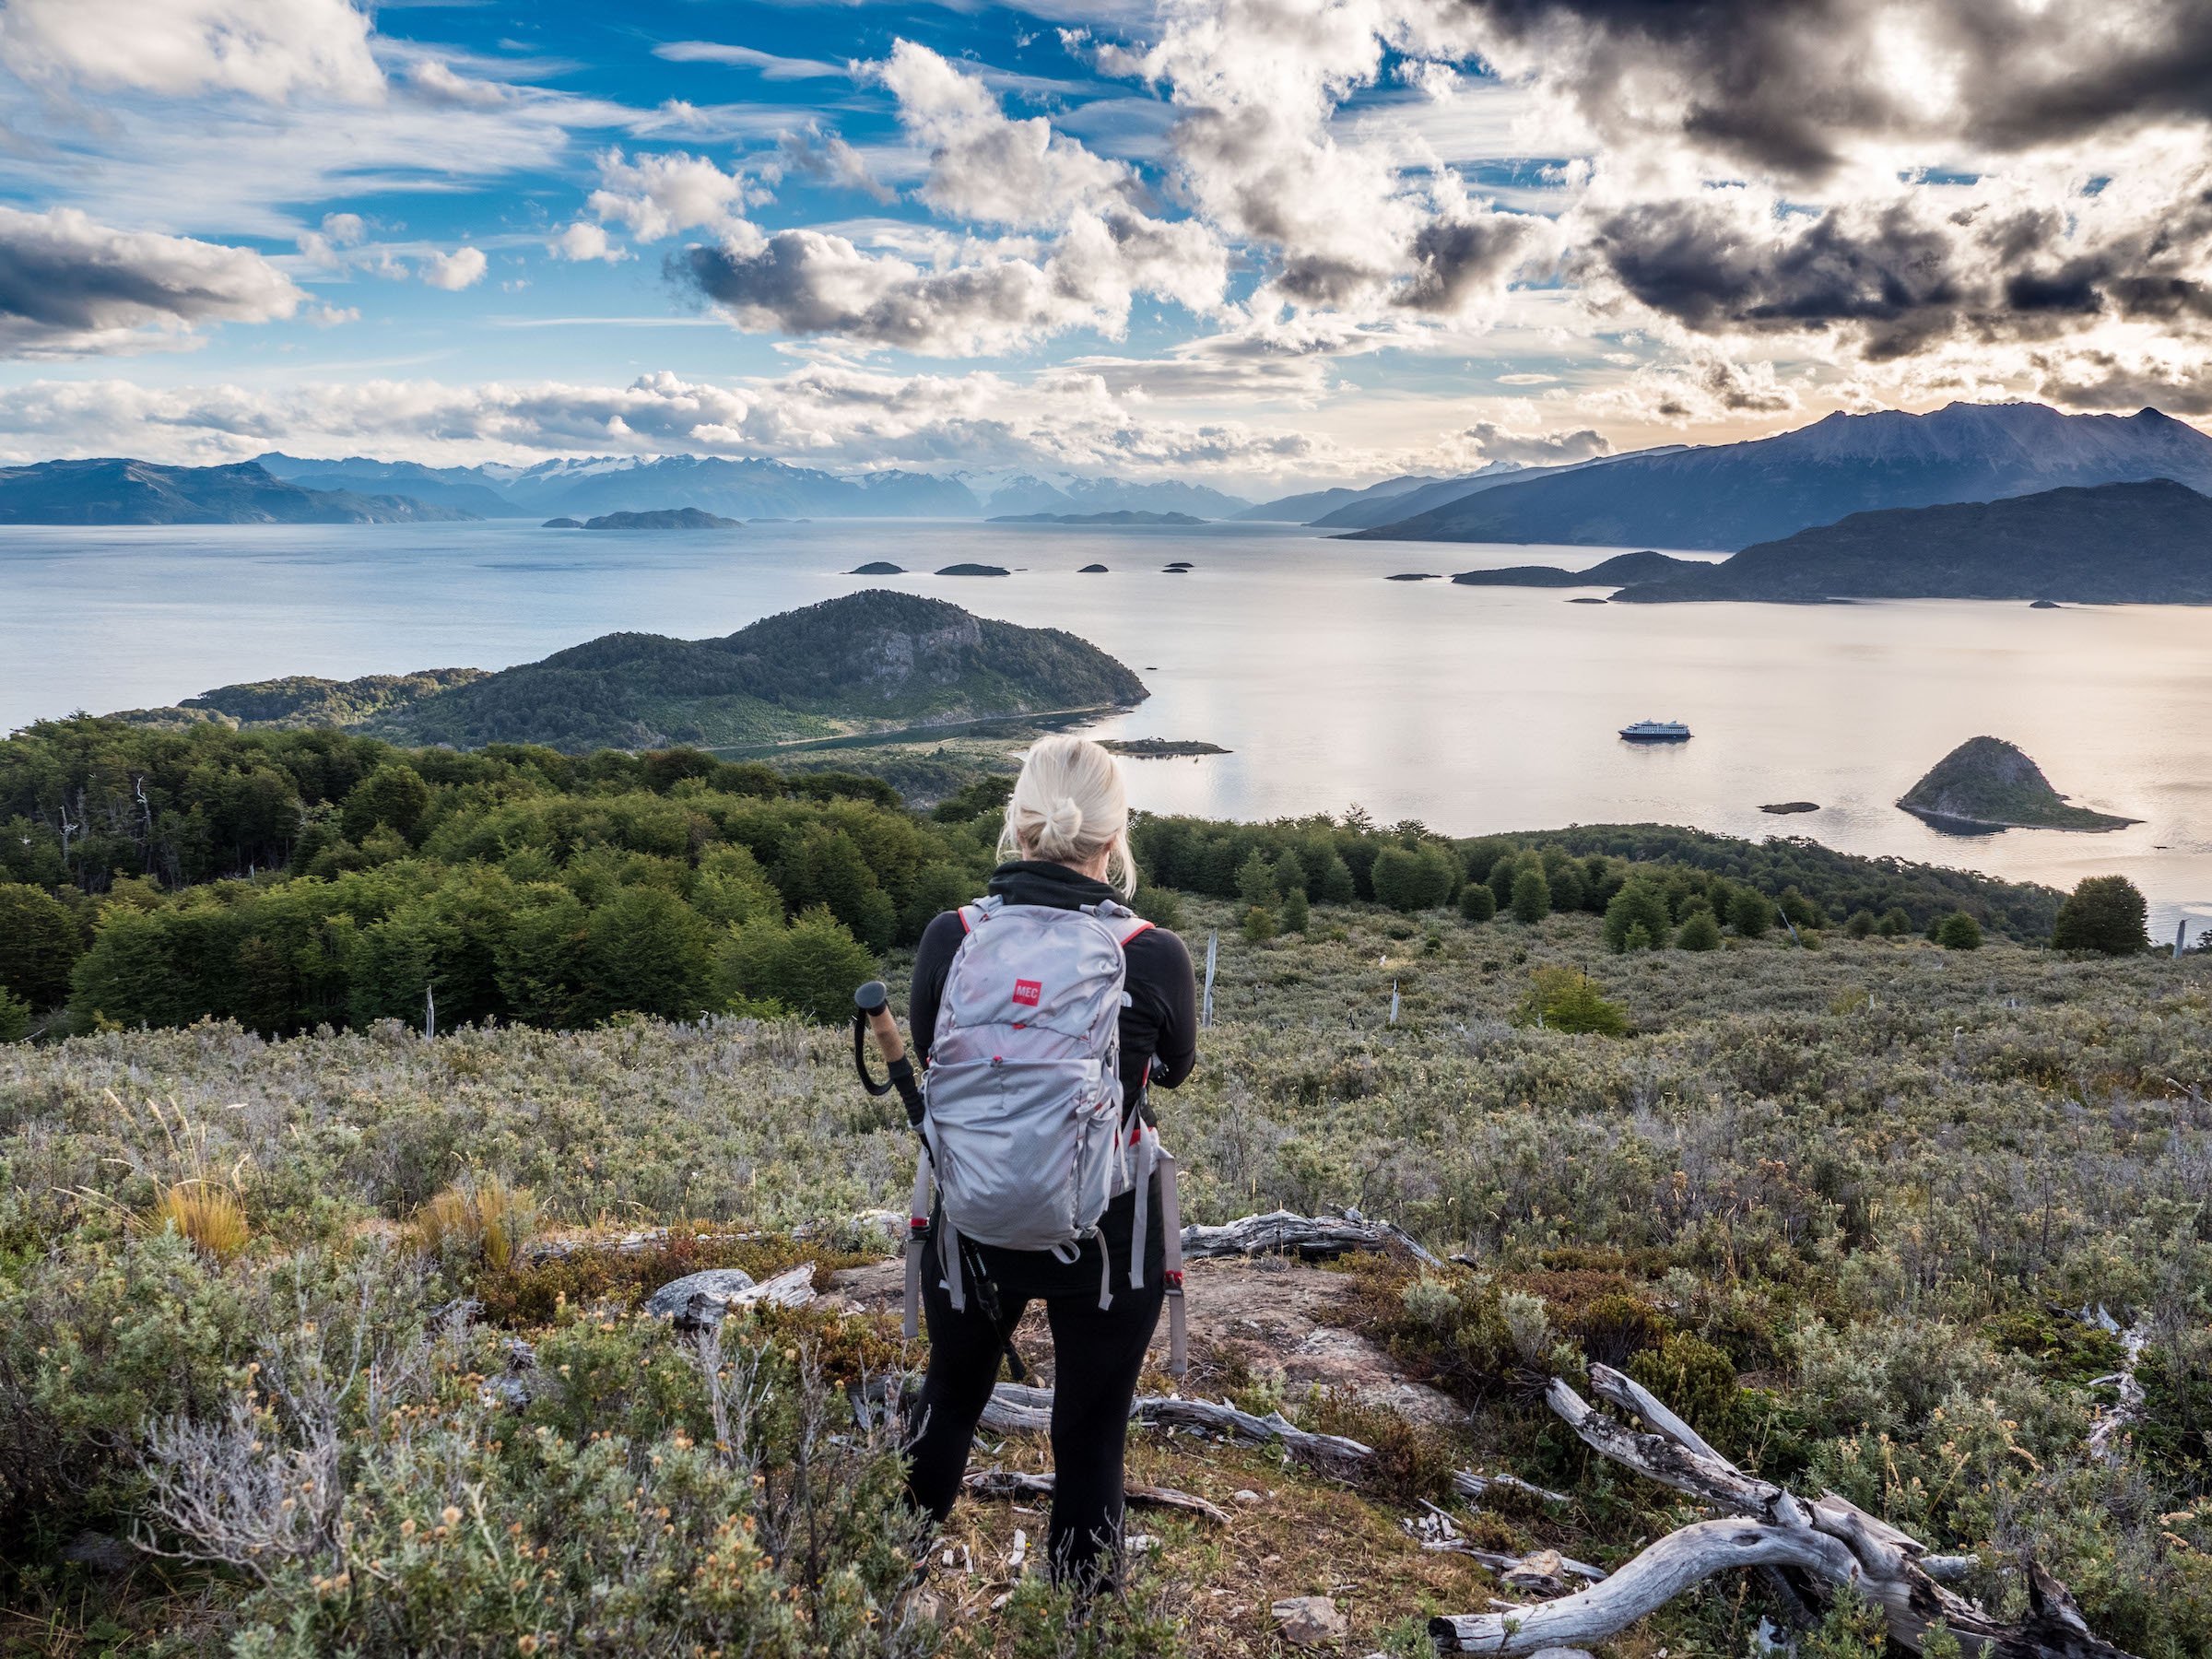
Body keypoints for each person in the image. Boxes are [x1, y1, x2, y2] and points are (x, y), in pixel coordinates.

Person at [902, 734, 1197, 1592]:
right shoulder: (1154, 953)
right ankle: (1076, 1621)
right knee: (1092, 1428)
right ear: (1116, 833)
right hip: (1107, 1234)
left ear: (1019, 822)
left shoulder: (951, 937)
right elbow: (1172, 1069)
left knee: (950, 1400)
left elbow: (932, 1055)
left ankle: (882, 1584)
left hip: (973, 1220)